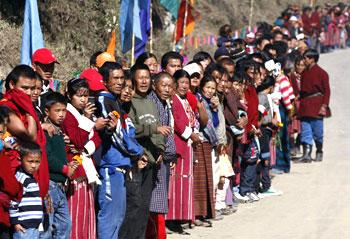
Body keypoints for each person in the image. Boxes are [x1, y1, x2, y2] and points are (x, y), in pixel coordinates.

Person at [95, 62, 144, 239]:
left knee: (118, 217)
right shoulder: (103, 100)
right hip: (110, 167)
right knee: (109, 217)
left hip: (120, 168)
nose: (119, 82)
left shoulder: (115, 102)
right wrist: (136, 151)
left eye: (122, 78)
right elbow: (115, 135)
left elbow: (124, 131)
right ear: (105, 80)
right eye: (115, 78)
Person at [119, 64, 166, 239]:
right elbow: (132, 130)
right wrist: (152, 129)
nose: (145, 81)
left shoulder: (151, 101)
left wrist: (160, 148)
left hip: (152, 160)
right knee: (134, 206)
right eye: (141, 77)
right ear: (133, 80)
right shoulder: (130, 103)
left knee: (145, 206)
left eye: (147, 77)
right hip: (138, 160)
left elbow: (161, 127)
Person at [61, 78, 101, 239]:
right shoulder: (68, 115)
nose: (83, 99)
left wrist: (84, 148)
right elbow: (76, 139)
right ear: (70, 96)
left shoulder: (84, 114)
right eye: (79, 95)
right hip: (75, 170)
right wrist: (85, 119)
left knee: (86, 213)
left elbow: (96, 138)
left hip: (86, 162)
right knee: (76, 213)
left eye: (86, 96)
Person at [166, 70, 199, 234]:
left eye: (187, 83)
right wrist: (191, 134)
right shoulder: (174, 100)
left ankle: (181, 217)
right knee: (177, 183)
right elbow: (178, 124)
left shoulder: (185, 100)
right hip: (180, 146)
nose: (185, 86)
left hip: (188, 145)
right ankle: (172, 218)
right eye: (182, 82)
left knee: (185, 182)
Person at [42, 92, 77, 239]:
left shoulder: (59, 131)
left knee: (64, 225)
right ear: (47, 112)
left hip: (60, 185)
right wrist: (65, 169)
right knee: (48, 227)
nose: (62, 114)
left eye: (64, 110)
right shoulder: (46, 131)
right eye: (57, 111)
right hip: (50, 185)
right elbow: (47, 157)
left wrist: (67, 164)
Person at [146, 72, 177, 239]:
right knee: (154, 200)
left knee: (159, 199)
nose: (167, 89)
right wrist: (160, 150)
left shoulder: (164, 103)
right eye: (163, 85)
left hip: (164, 158)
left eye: (170, 86)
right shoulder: (152, 102)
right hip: (155, 156)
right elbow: (154, 129)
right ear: (154, 85)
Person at [297, 49, 330, 163]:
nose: (304, 60)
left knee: (317, 132)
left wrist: (324, 106)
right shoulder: (304, 72)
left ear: (312, 59)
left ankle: (319, 150)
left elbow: (327, 91)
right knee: (305, 130)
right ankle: (306, 154)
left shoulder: (322, 73)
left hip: (317, 104)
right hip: (305, 105)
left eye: (306, 58)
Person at [193, 75, 218, 223]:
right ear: (202, 87)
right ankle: (196, 213)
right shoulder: (198, 100)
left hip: (208, 141)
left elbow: (213, 123)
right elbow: (203, 123)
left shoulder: (211, 103)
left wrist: (214, 109)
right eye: (207, 87)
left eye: (213, 88)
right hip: (200, 140)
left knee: (208, 179)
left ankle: (205, 213)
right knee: (199, 179)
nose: (210, 91)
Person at [9, 142, 43, 239]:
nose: (34, 165)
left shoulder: (30, 178)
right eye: (30, 161)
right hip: (24, 229)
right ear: (20, 159)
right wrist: (15, 223)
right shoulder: (22, 179)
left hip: (33, 228)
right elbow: (13, 201)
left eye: (37, 162)